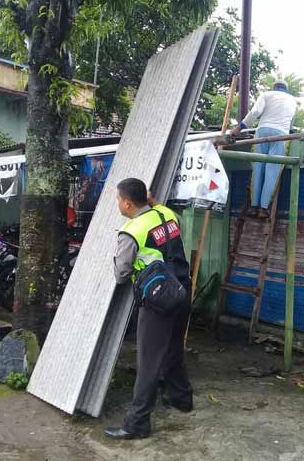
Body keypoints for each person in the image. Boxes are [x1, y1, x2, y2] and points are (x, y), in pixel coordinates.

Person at [104, 178, 193, 440]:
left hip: (158, 301)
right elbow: (159, 211)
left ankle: (137, 423)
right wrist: (152, 201)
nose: (117, 203)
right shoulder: (166, 214)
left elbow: (121, 274)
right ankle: (182, 399)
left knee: (148, 362)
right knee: (174, 348)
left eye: (118, 199)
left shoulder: (131, 231)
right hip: (182, 291)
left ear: (128, 203)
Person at [231, 79, 297, 218]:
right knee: (272, 171)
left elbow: (255, 112)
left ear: (274, 87)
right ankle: (263, 208)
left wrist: (239, 128)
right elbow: (291, 123)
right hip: (281, 135)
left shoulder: (267, 94)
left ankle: (253, 207)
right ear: (286, 89)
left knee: (257, 168)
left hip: (262, 131)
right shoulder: (293, 100)